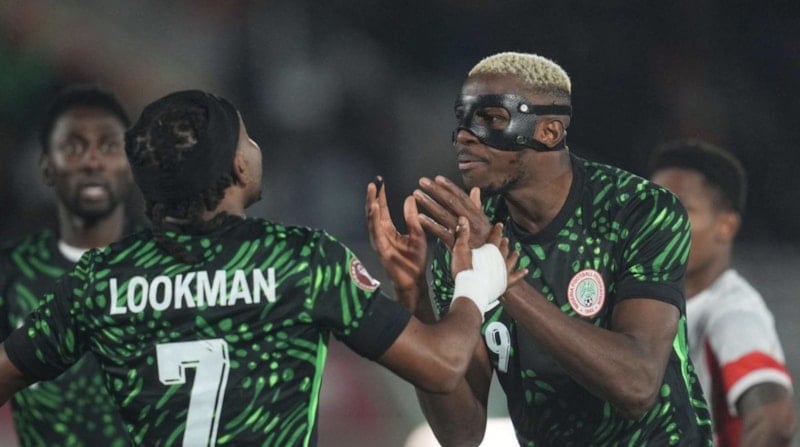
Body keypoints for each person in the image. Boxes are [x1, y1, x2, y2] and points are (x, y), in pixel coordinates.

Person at [0, 89, 524, 446]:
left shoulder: (100, 281)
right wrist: (476, 283)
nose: (256, 148)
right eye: (247, 139)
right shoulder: (300, 261)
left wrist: (410, 292)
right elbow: (443, 365)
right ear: (236, 166)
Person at [393, 51, 714, 445]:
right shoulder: (464, 240)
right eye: (462, 118)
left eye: (491, 118)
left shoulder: (639, 210)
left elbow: (637, 385)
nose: (464, 135)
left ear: (549, 131)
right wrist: (415, 297)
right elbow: (462, 434)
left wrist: (503, 279)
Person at [0, 85, 133, 446]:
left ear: (133, 165)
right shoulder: (12, 272)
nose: (92, 162)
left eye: (109, 146)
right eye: (74, 147)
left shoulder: (168, 270)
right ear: (46, 166)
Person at [649, 139, 796, 446]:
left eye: (681, 209)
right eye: (653, 207)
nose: (660, 223)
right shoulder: (652, 305)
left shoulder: (733, 312)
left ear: (725, 226)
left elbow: (775, 420)